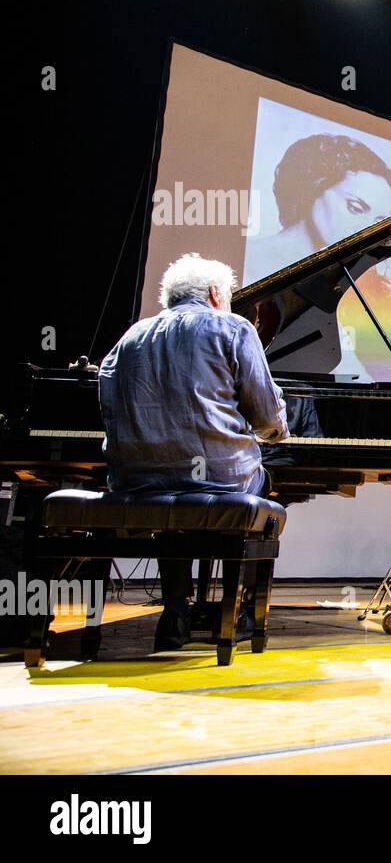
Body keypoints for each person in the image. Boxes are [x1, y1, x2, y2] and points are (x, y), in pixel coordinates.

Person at [98, 253, 288, 650]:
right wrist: (275, 432)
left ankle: (175, 611)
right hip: (219, 475)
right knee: (265, 481)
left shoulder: (129, 337)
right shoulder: (232, 327)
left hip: (136, 480)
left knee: (175, 505)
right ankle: (238, 611)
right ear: (216, 293)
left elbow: (111, 412)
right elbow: (267, 415)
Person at [246, 133, 391, 379]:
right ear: (315, 186)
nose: (364, 228)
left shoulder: (349, 285)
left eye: (375, 221)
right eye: (355, 207)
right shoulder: (248, 264)